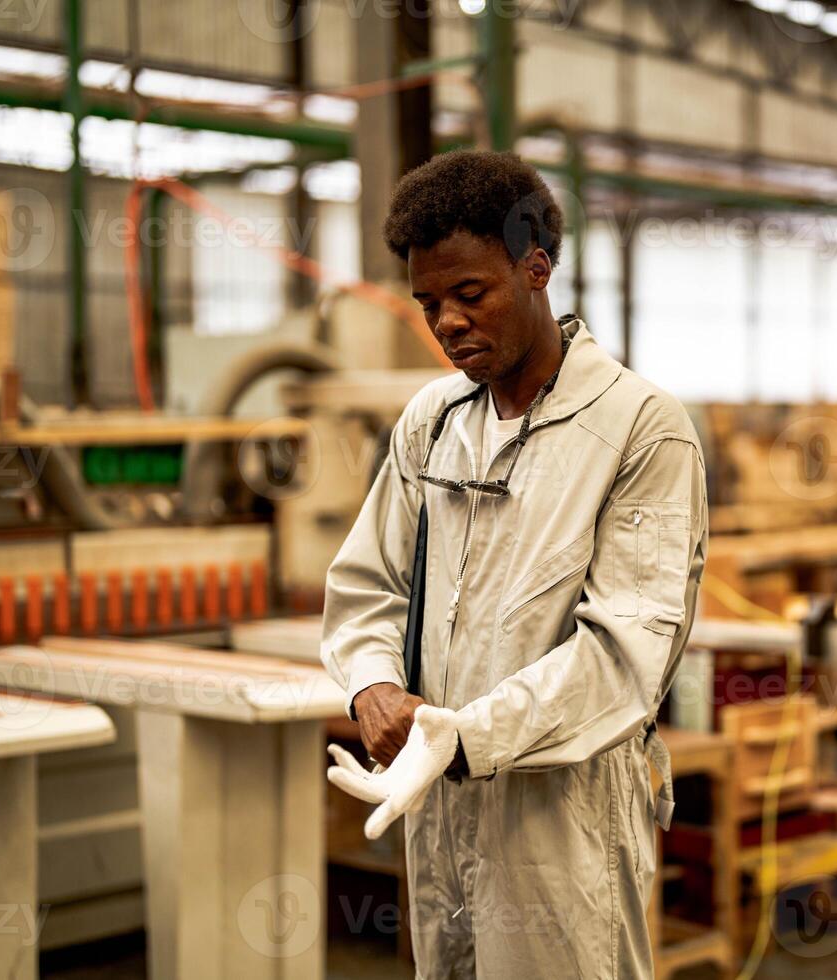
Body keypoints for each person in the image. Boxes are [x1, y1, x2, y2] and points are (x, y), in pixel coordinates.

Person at [320, 149, 709, 979]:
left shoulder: (640, 428)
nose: (449, 322)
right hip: (436, 804)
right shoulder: (432, 422)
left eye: (470, 294)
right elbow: (368, 585)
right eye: (430, 303)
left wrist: (465, 737)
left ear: (536, 270)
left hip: (560, 818)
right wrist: (372, 684)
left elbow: (624, 655)